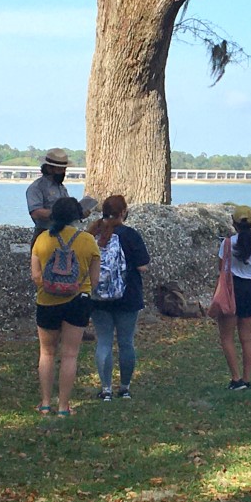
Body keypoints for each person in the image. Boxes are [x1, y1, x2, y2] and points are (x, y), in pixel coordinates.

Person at [31, 196, 101, 415]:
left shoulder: (42, 239)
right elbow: (95, 279)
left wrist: (53, 286)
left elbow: (35, 276)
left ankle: (44, 403)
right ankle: (63, 406)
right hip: (77, 301)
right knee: (70, 354)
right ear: (78, 216)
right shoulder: (87, 240)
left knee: (47, 353)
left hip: (47, 301)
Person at [87, 195, 151, 400]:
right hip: (128, 295)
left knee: (104, 342)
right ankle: (124, 388)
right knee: (126, 342)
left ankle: (105, 390)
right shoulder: (130, 235)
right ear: (123, 212)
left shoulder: (92, 233)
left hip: (98, 297)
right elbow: (142, 265)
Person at [217, 205, 251, 390]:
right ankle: (247, 377)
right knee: (246, 337)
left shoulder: (228, 243)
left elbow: (222, 267)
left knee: (227, 337)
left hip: (231, 288)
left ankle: (235, 379)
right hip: (249, 289)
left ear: (233, 222)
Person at [26, 148, 71, 237]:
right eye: (59, 170)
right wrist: (58, 214)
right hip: (44, 233)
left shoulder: (61, 188)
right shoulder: (36, 187)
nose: (63, 172)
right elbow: (36, 213)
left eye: (64, 169)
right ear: (49, 168)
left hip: (64, 233)